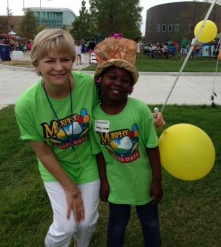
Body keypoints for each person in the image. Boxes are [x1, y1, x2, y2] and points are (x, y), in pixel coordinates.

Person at [14, 29, 100, 247]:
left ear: (73, 59)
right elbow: (43, 152)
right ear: (37, 64)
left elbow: (116, 107)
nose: (59, 67)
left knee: (87, 222)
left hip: (87, 162)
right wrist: (71, 189)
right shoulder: (27, 105)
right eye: (49, 60)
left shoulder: (89, 86)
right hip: (55, 166)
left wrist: (149, 117)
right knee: (66, 227)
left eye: (65, 59)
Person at [91, 36, 163, 247]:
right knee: (116, 224)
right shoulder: (94, 115)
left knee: (150, 223)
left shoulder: (139, 109)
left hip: (144, 182)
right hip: (117, 184)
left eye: (125, 80)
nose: (117, 83)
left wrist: (157, 181)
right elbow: (99, 153)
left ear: (131, 87)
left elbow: (152, 146)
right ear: (100, 81)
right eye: (111, 77)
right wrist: (104, 181)